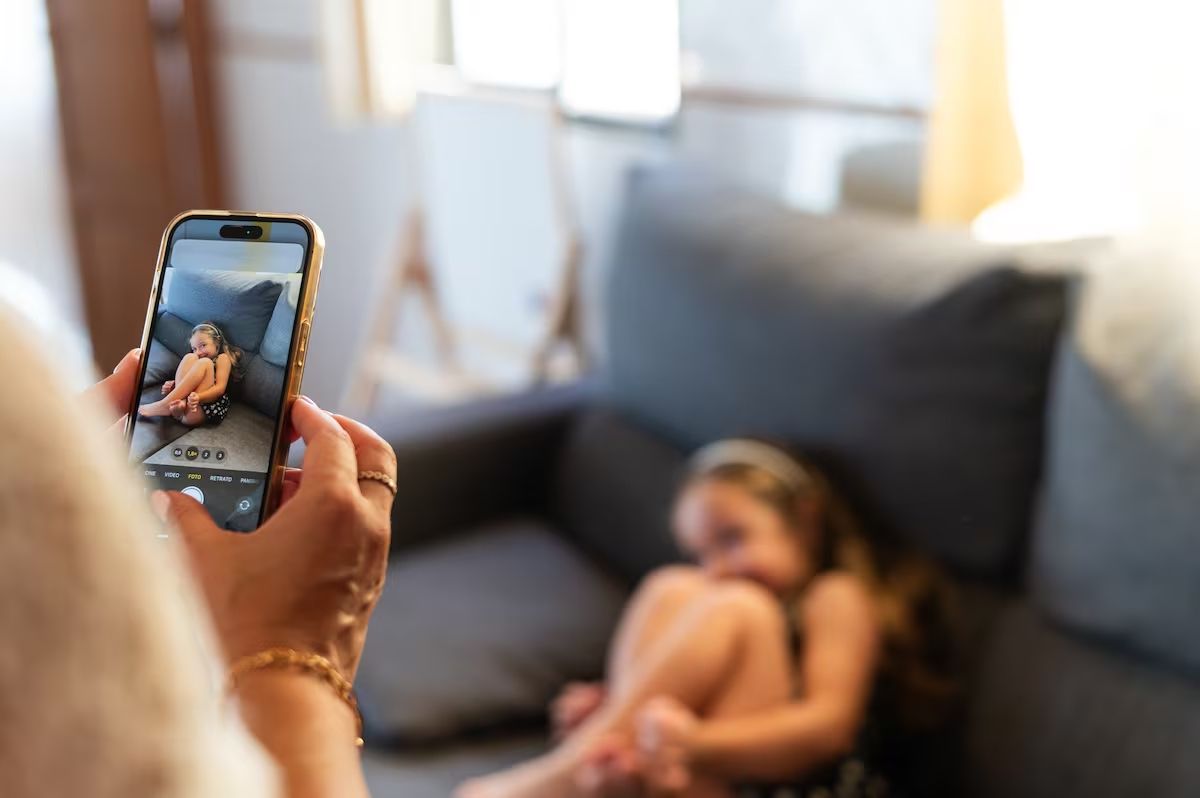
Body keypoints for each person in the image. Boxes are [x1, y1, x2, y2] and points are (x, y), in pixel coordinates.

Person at [0, 305, 396, 798]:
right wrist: (302, 663)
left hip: (209, 406)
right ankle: (170, 407)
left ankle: (168, 408)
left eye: (203, 343)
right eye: (194, 344)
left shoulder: (217, 362)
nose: (197, 348)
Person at [460, 439, 956, 798]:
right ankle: (605, 758)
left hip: (797, 783)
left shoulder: (835, 595)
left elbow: (828, 731)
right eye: (702, 551)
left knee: (739, 605)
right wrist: (619, 710)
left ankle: (555, 780)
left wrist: (693, 744)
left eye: (733, 538)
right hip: (699, 773)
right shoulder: (712, 588)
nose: (716, 567)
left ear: (804, 519)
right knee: (671, 586)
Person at [139, 321, 241, 425]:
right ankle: (178, 405)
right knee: (190, 357)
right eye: (194, 348)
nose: (198, 352)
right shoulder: (196, 357)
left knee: (205, 362)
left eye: (203, 345)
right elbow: (192, 380)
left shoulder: (223, 358)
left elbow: (220, 389)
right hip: (182, 408)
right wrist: (174, 386)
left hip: (202, 408)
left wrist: (198, 397)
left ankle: (164, 404)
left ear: (217, 342)